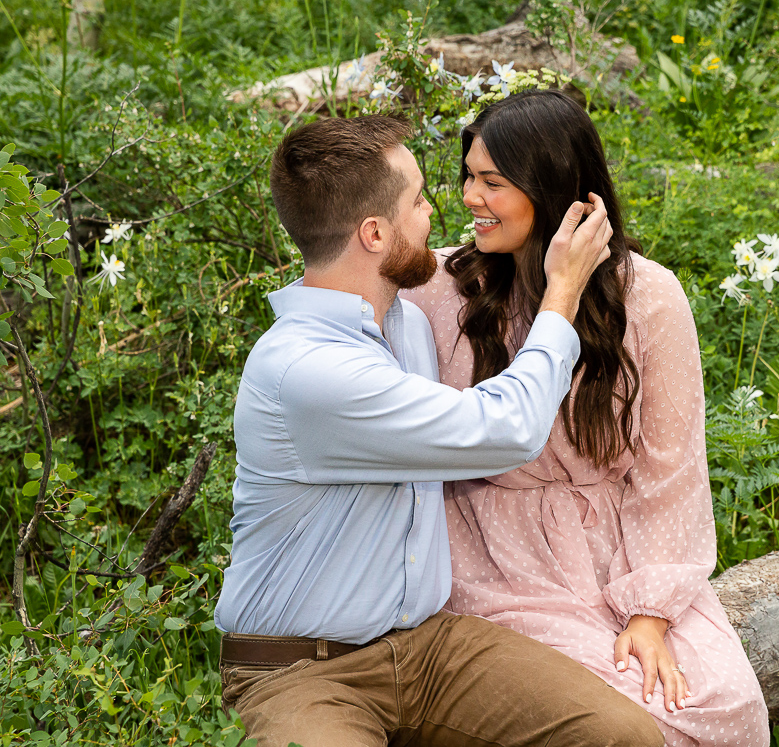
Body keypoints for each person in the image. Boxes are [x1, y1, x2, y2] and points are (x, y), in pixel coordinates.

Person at [214, 114, 663, 747]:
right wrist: (563, 292)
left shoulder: (406, 324)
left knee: (620, 736)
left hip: (428, 649)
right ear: (374, 233)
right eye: (419, 199)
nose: (438, 211)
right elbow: (505, 429)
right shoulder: (306, 371)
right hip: (300, 670)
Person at [402, 90, 770, 747]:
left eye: (492, 182)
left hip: (618, 550)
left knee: (726, 705)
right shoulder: (441, 289)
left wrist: (651, 611)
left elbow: (670, 472)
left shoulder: (648, 295)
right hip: (493, 559)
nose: (469, 198)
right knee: (623, 719)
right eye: (467, 177)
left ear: (556, 187)